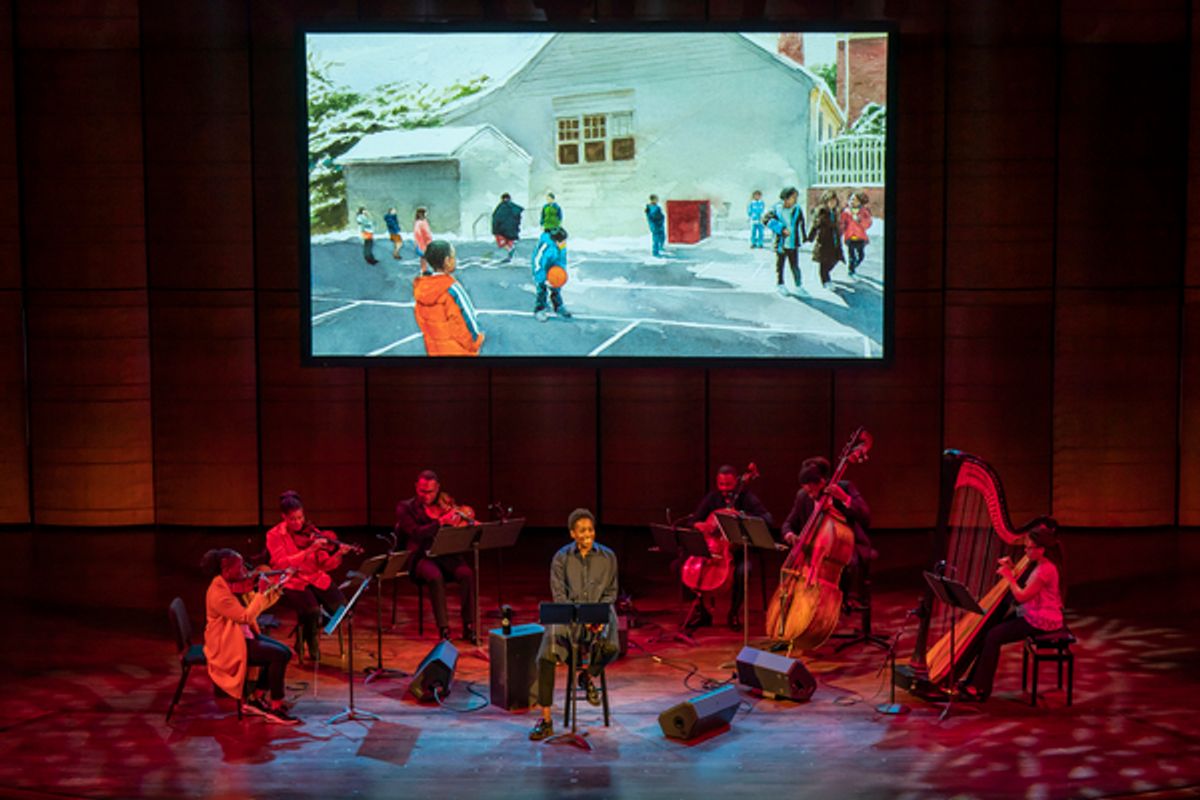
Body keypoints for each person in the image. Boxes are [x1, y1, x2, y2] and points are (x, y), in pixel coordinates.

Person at [529, 508, 620, 742]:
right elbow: (559, 595)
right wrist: (581, 617)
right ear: (572, 534)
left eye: (590, 529)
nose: (587, 534)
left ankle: (587, 676)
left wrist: (597, 617)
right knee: (546, 655)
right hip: (569, 616)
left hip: (597, 615)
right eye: (582, 530)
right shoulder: (561, 558)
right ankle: (546, 719)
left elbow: (610, 592)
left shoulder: (608, 557)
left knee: (612, 645)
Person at [960, 521, 1065, 702]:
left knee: (993, 636)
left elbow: (1021, 596)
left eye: (1029, 548)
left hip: (1041, 619)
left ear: (1041, 549)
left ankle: (980, 688)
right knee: (989, 632)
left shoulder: (1045, 570)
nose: (1026, 551)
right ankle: (974, 681)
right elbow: (1026, 588)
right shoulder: (1039, 563)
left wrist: (1009, 576)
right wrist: (1012, 569)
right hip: (1031, 612)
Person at [202, 547, 299, 724]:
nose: (245, 572)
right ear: (226, 570)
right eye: (240, 568)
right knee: (278, 655)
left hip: (242, 635)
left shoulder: (230, 585)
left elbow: (257, 606)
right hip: (228, 644)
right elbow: (246, 616)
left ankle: (255, 699)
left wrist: (281, 583)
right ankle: (275, 708)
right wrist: (261, 593)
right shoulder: (219, 594)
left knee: (284, 652)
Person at [681, 465, 773, 631]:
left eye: (728, 485)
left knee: (743, 571)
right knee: (690, 568)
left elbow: (767, 518)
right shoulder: (712, 498)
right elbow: (693, 520)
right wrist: (698, 525)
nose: (724, 489)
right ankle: (703, 613)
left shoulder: (746, 497)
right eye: (721, 484)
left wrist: (743, 517)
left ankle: (734, 612)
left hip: (737, 552)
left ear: (736, 481)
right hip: (713, 550)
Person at [266, 490, 352, 663]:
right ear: (283, 517)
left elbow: (325, 565)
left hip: (315, 577)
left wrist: (338, 554)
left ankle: (303, 636)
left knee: (342, 609)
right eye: (293, 519)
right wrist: (308, 551)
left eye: (300, 517)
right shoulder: (274, 535)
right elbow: (281, 563)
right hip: (292, 581)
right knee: (312, 611)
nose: (298, 522)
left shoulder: (312, 532)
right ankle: (312, 641)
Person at [393, 470, 477, 642]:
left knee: (467, 574)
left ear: (437, 488)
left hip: (446, 556)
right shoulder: (405, 508)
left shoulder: (443, 505)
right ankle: (444, 630)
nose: (426, 496)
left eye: (430, 492)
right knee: (435, 576)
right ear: (416, 487)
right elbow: (416, 533)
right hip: (420, 559)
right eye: (422, 491)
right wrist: (440, 522)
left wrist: (465, 521)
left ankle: (469, 627)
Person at [780, 457, 874, 603]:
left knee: (850, 564)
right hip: (816, 547)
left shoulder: (844, 487)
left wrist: (844, 498)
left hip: (845, 545)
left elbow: (866, 516)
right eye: (806, 490)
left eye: (812, 490)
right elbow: (788, 524)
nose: (810, 495)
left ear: (822, 482)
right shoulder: (802, 496)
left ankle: (844, 600)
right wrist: (790, 534)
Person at [412, 240, 485, 357]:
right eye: (453, 257)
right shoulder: (452, 289)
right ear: (447, 261)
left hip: (434, 350)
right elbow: (468, 321)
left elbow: (421, 320)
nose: (455, 260)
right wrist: (476, 342)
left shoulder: (421, 289)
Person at [764, 186, 806, 297]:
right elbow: (766, 219)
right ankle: (780, 284)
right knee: (780, 265)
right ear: (786, 198)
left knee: (795, 265)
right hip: (781, 243)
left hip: (793, 242)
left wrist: (804, 237)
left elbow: (801, 224)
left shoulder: (797, 209)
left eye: (796, 197)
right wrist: (781, 229)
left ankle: (798, 286)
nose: (795, 200)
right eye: (793, 197)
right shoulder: (776, 208)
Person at [531, 226, 571, 322]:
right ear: (556, 241)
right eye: (562, 241)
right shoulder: (546, 246)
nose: (564, 243)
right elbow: (538, 261)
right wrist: (543, 278)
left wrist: (561, 271)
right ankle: (539, 310)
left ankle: (558, 307)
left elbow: (562, 260)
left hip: (554, 269)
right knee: (542, 290)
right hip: (541, 269)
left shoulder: (562, 246)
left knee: (556, 288)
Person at [806, 202, 845, 289]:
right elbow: (816, 226)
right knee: (824, 262)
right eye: (830, 201)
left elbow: (837, 226)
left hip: (834, 242)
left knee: (834, 260)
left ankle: (826, 275)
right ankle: (826, 281)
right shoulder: (822, 212)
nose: (832, 203)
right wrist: (810, 238)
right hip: (824, 242)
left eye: (834, 201)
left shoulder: (834, 213)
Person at [840, 190, 873, 279]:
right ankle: (851, 270)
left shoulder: (864, 211)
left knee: (861, 256)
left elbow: (868, 223)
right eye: (851, 199)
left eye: (855, 199)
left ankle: (855, 265)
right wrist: (842, 229)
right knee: (851, 256)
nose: (852, 201)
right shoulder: (846, 212)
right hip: (850, 237)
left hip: (860, 237)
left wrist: (860, 220)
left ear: (860, 201)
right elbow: (842, 223)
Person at [491, 192, 523, 263]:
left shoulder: (500, 207)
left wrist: (494, 230)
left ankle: (509, 250)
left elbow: (496, 219)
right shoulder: (514, 207)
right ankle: (510, 254)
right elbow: (518, 217)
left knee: (502, 242)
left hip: (502, 230)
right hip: (512, 230)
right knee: (510, 240)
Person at [413, 206, 433, 275]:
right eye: (425, 213)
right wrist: (420, 243)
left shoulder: (424, 221)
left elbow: (427, 232)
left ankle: (424, 270)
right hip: (422, 243)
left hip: (427, 242)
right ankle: (423, 270)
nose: (426, 214)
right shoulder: (419, 222)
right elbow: (417, 233)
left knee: (424, 257)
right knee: (423, 257)